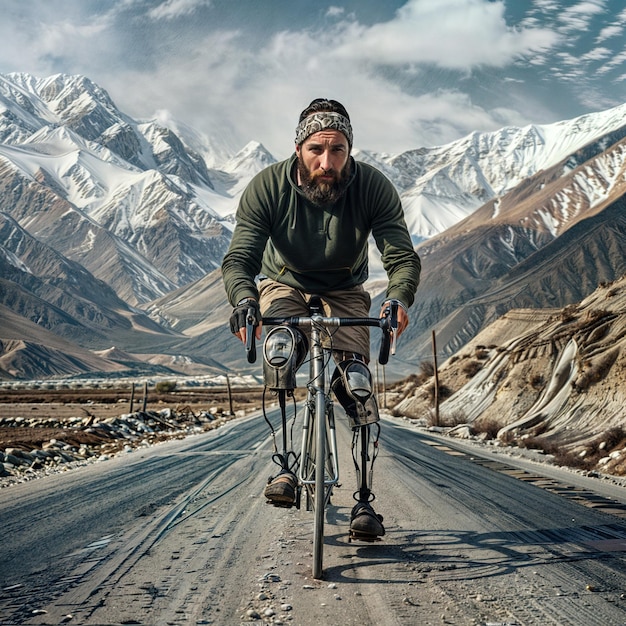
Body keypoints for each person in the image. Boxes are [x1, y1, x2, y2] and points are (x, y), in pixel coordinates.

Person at [222, 98, 420, 539]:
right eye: (317, 149)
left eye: (338, 151)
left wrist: (398, 298)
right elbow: (240, 258)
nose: (326, 162)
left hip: (346, 289)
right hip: (283, 283)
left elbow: (401, 256)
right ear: (298, 149)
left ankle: (364, 500)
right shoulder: (266, 188)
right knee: (279, 353)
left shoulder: (372, 188)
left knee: (358, 386)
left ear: (350, 151)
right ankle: (286, 466)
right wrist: (244, 300)